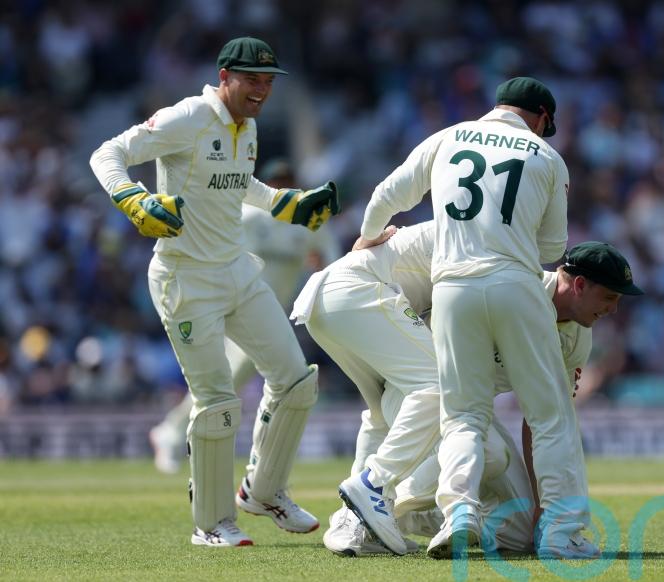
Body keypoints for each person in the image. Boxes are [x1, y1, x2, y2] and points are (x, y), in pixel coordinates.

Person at [89, 37, 341, 547]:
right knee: (218, 402)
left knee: (296, 380)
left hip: (238, 272)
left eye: (268, 82)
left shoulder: (245, 126)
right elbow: (107, 152)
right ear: (224, 75)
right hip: (185, 279)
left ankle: (264, 491)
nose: (262, 91)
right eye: (252, 80)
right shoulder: (187, 117)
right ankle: (211, 524)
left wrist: (286, 204)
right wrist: (133, 199)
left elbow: (238, 183)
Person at [346, 76, 596, 559]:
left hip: (452, 286)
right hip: (516, 284)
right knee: (549, 415)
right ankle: (561, 534)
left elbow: (388, 193)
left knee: (461, 415)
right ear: (542, 117)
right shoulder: (546, 157)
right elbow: (550, 249)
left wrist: (368, 236)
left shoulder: (449, 136)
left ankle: (459, 513)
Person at [300, 227, 641, 556]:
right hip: (417, 397)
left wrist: (542, 507)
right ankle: (383, 499)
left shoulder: (577, 341)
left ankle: (417, 514)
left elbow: (541, 420)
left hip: (464, 410)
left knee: (518, 531)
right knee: (485, 448)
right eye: (609, 297)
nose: (613, 309)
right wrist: (377, 239)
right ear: (580, 284)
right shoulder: (506, 282)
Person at [148, 159, 342, 474]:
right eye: (277, 181)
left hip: (272, 316)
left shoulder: (308, 221)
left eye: (288, 180)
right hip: (236, 309)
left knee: (236, 377)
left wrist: (322, 269)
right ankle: (252, 463)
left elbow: (333, 260)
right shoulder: (249, 216)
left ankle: (176, 432)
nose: (283, 187)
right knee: (237, 375)